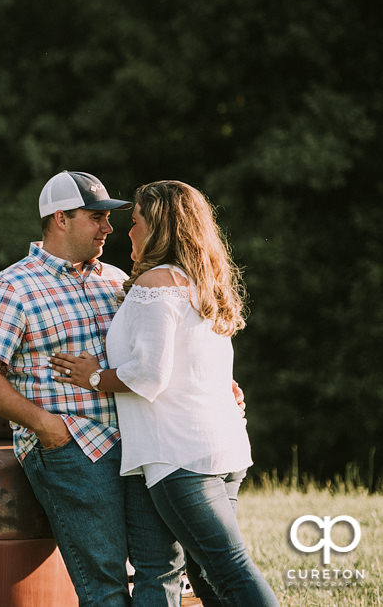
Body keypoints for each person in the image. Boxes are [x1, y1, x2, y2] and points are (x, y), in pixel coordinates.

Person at [0, 171, 184, 607]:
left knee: (164, 567)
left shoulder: (118, 279)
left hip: (139, 442)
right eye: (96, 217)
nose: (109, 227)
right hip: (73, 447)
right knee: (104, 583)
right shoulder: (11, 288)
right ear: (60, 219)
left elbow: (156, 352)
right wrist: (46, 427)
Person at [49, 180, 279, 606]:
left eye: (135, 222)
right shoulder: (198, 280)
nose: (125, 231)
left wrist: (96, 377)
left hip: (180, 458)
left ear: (158, 227)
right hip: (221, 450)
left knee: (228, 568)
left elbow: (150, 375)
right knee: (206, 573)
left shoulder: (157, 281)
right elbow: (198, 363)